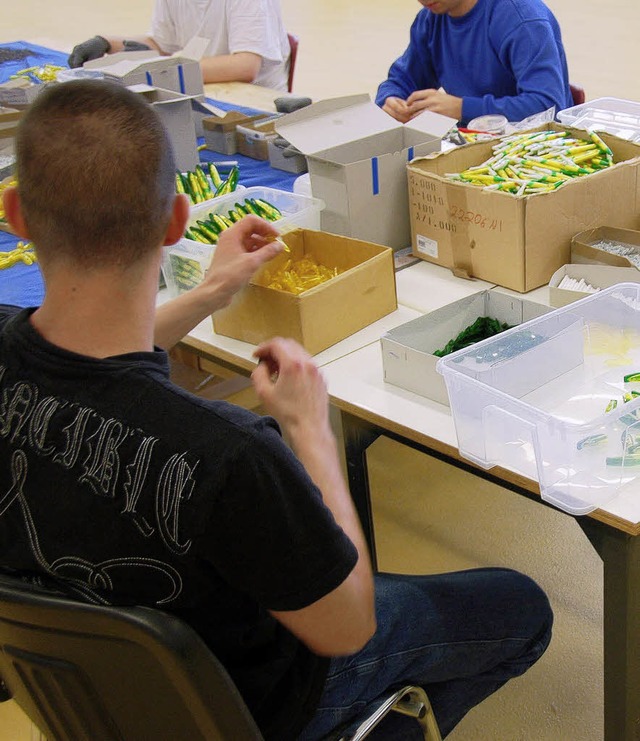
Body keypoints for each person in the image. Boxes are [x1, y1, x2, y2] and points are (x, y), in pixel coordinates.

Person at [0, 80, 553, 740]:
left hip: (109, 699)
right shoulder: (232, 455)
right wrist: (310, 430)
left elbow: (92, 356)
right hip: (260, 703)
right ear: (178, 220)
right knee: (522, 607)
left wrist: (210, 293)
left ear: (15, 214)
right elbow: (348, 625)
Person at [376, 0, 574, 127]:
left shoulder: (522, 19)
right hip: (472, 144)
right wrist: (391, 100)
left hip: (537, 154)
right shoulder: (431, 19)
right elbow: (403, 81)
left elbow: (547, 107)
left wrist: (461, 109)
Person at [67, 0, 291, 89]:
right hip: (199, 88)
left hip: (254, 106)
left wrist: (168, 68)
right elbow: (160, 44)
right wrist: (107, 43)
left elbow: (245, 66)